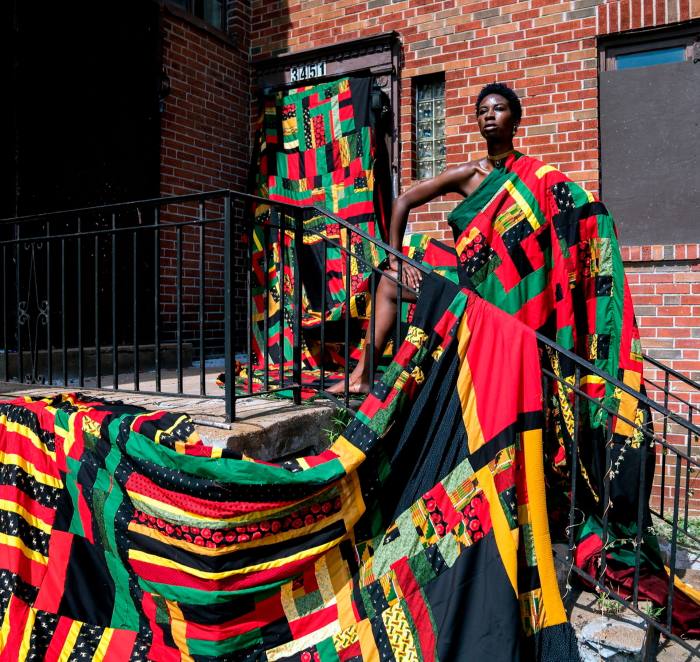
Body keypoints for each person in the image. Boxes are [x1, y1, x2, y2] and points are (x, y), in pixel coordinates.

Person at [328, 82, 523, 394]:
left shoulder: (531, 177)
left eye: (499, 109)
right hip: (470, 281)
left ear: (516, 120)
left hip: (510, 288)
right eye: (482, 111)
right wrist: (397, 260)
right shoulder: (469, 174)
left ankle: (367, 376)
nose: (489, 116)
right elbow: (403, 201)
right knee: (389, 280)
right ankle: (363, 376)